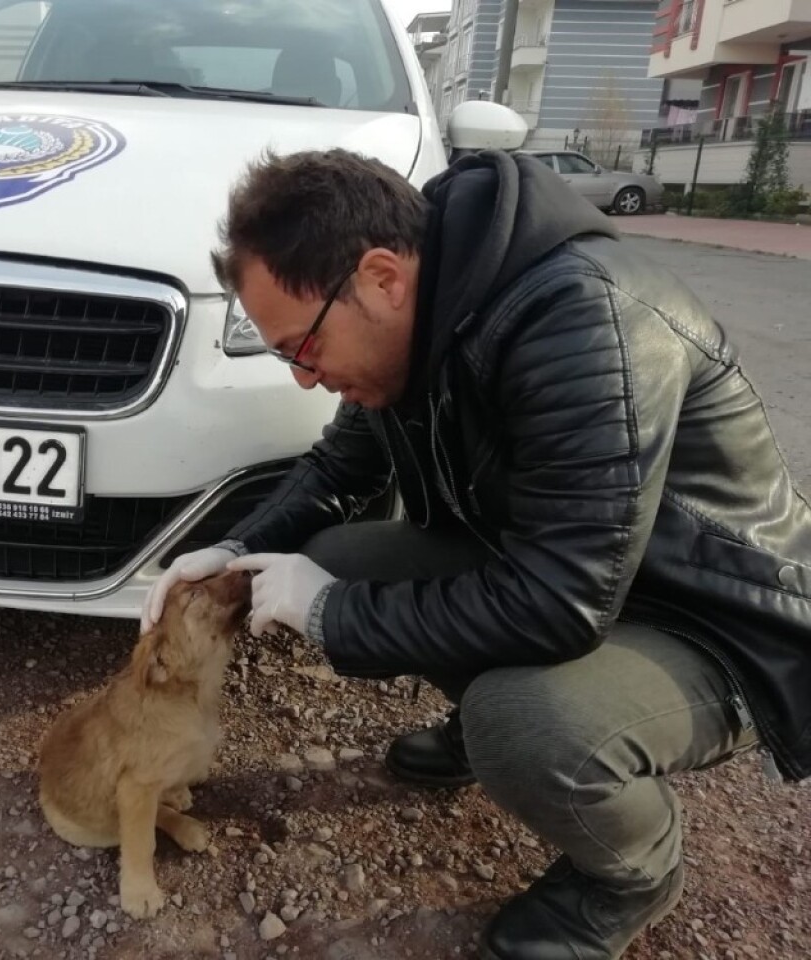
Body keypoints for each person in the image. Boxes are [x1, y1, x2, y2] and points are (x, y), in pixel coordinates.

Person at [141, 147, 811, 960]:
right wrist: (231, 548)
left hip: (715, 624)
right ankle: (497, 723)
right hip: (583, 577)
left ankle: (632, 873)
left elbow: (558, 602)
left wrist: (328, 609)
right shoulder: (420, 318)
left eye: (303, 350)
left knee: (522, 721)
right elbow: (337, 470)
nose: (306, 380)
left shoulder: (584, 319)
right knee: (342, 553)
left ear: (382, 277)